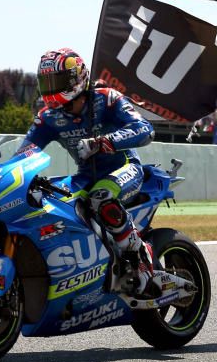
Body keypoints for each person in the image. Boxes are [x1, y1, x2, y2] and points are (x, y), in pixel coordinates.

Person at [23, 48, 156, 296]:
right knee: (50, 201)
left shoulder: (106, 99)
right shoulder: (48, 117)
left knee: (101, 197)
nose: (51, 88)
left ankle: (141, 257)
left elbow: (145, 129)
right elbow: (24, 152)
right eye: (46, 82)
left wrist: (104, 142)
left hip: (124, 167)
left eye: (57, 81)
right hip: (86, 176)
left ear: (76, 78)